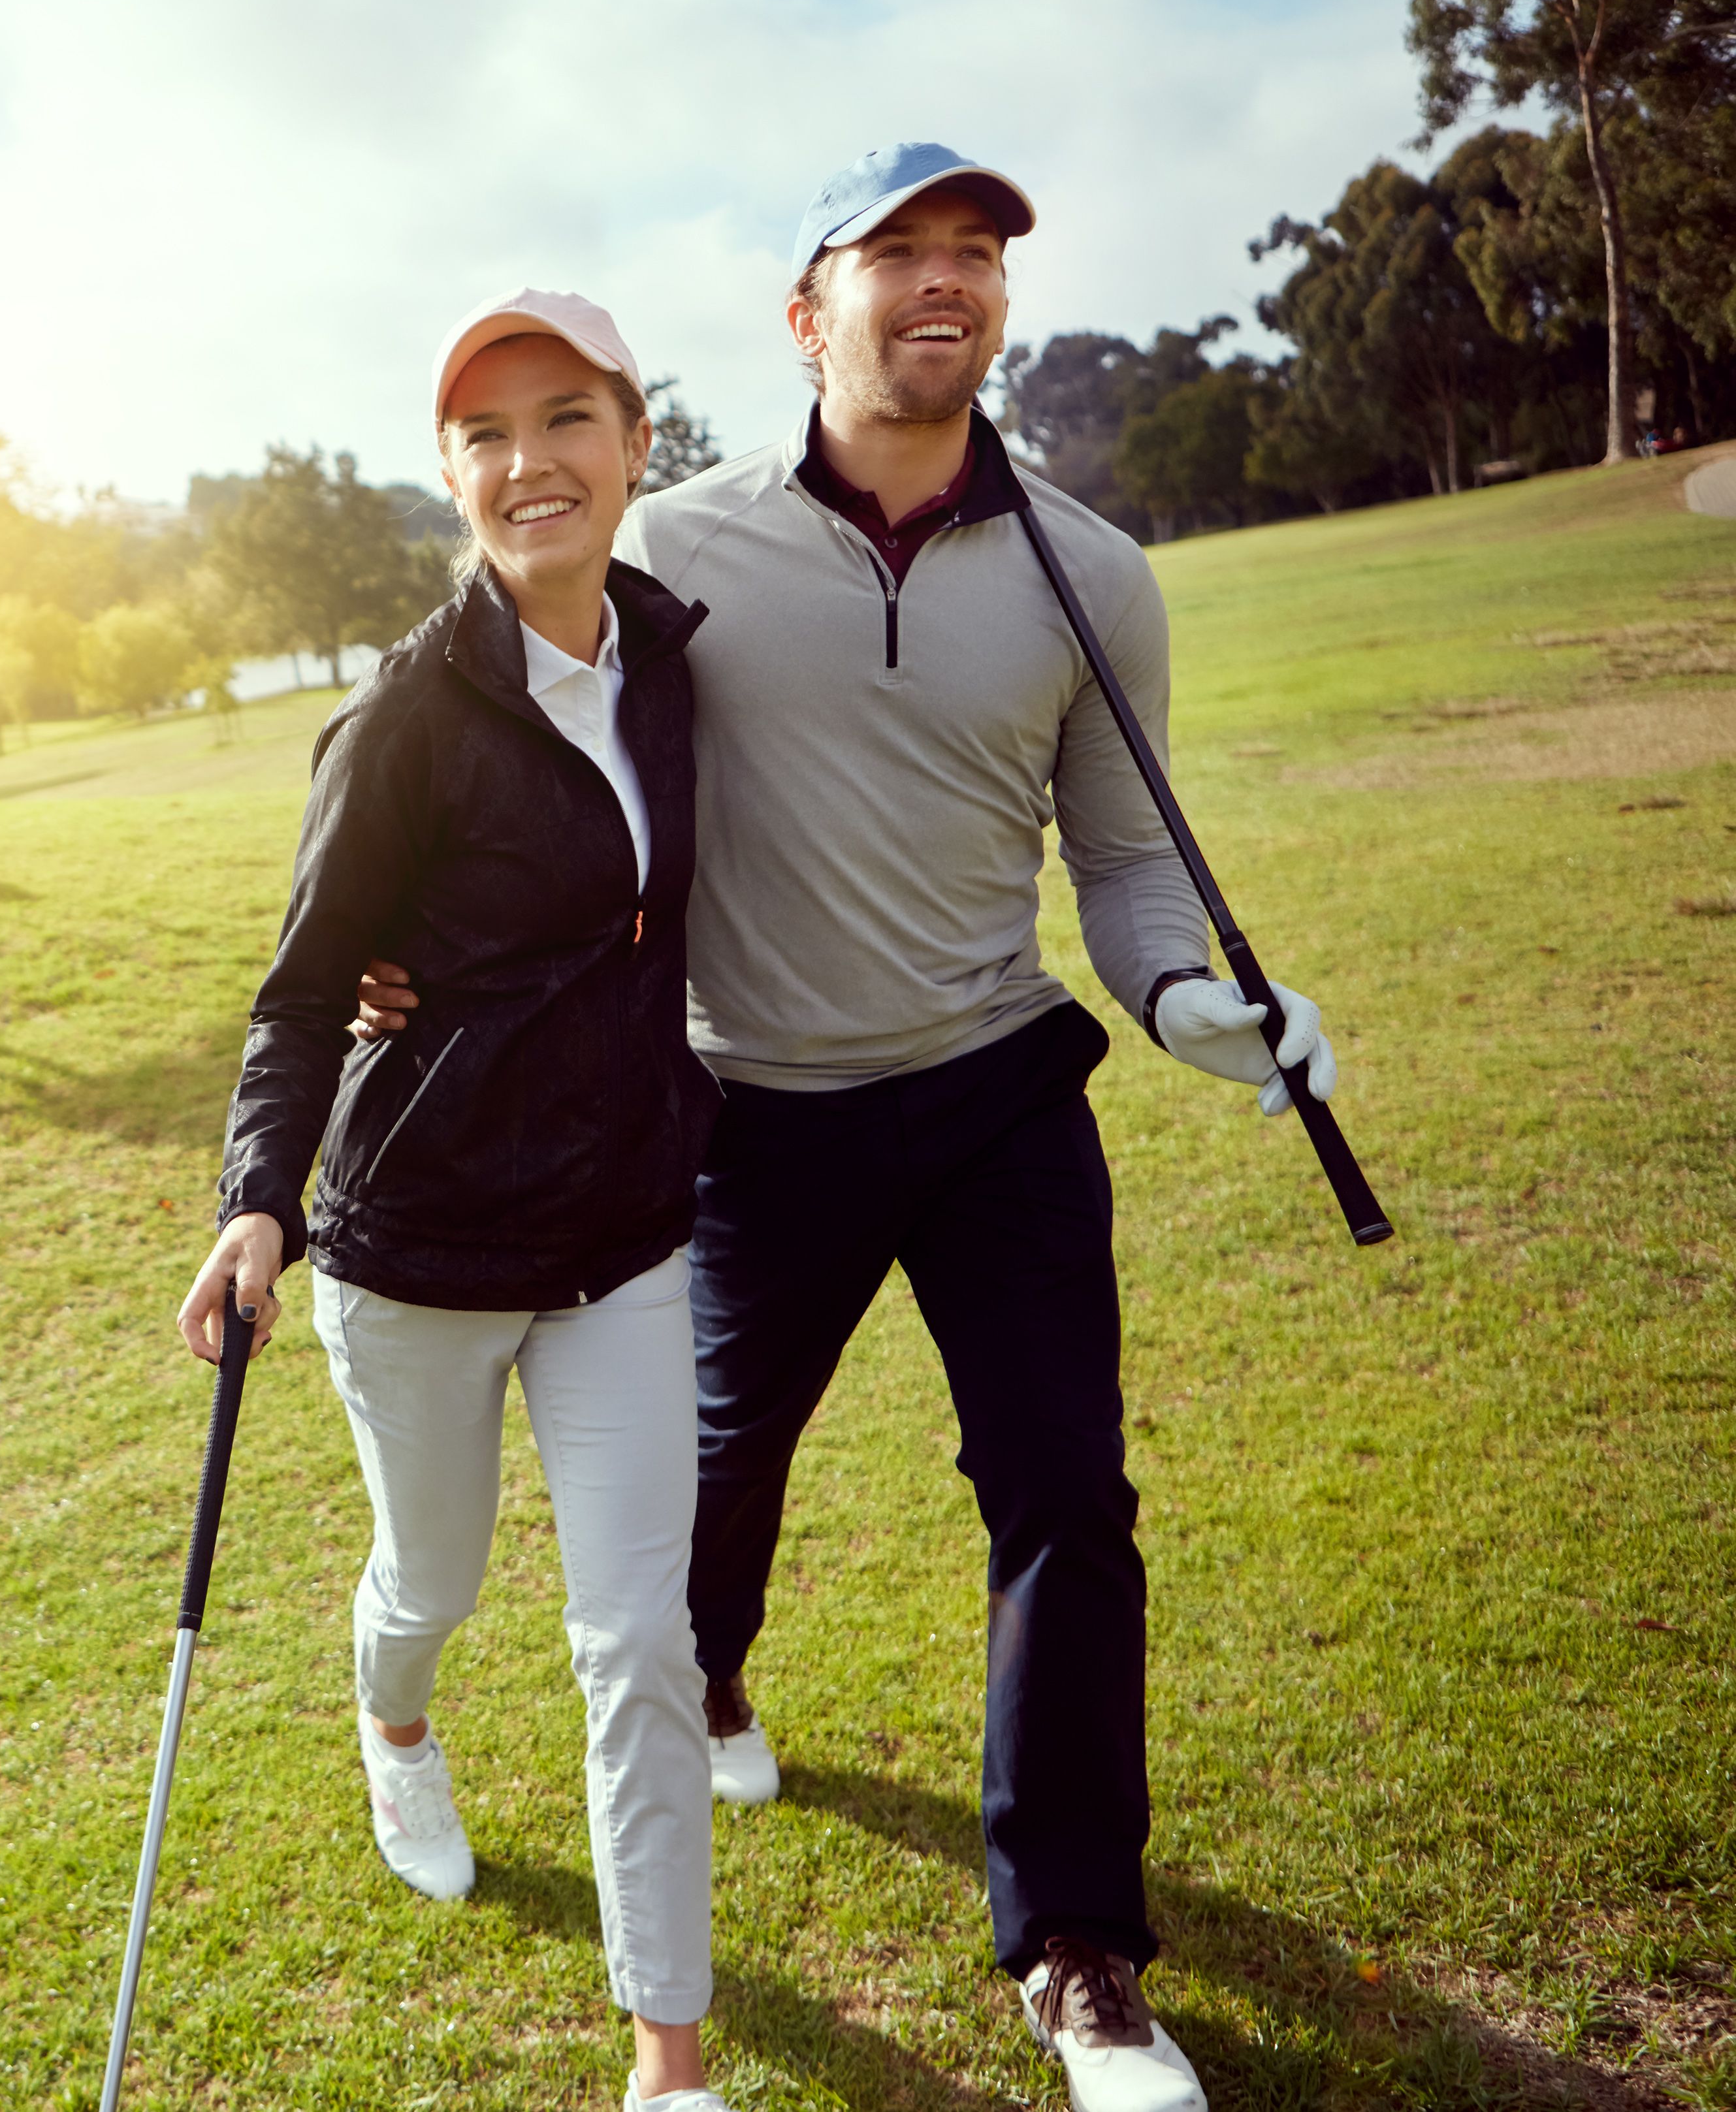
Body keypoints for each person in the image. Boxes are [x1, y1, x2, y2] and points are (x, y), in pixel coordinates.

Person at [354, 146, 1345, 2112]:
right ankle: (712, 1673)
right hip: (742, 1111)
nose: (940, 281)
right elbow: (507, 740)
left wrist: (1193, 1007)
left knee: (1065, 1496)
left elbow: (1128, 863)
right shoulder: (678, 554)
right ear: (804, 317)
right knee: (717, 1468)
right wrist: (400, 952)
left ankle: (1078, 1951)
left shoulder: (1091, 572)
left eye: (970, 252)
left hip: (993, 1088)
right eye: (893, 253)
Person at [178, 287, 732, 2112]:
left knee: (635, 1636)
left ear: (635, 440)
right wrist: (261, 1200)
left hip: (624, 1243)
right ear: (451, 474)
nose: (528, 462)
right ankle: (393, 1723)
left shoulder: (672, 659)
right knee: (430, 1577)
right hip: (414, 1253)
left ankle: (665, 2059)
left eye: (564, 418)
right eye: (485, 434)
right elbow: (295, 989)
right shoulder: (400, 720)